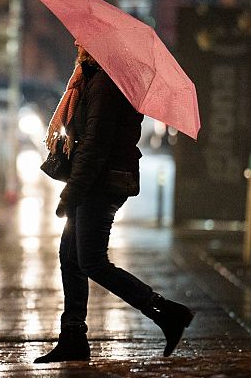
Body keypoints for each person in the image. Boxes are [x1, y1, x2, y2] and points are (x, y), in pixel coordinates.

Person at [34, 43, 194, 363]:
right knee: (71, 256)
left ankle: (167, 312)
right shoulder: (91, 79)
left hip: (102, 182)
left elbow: (95, 145)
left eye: (83, 41)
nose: (77, 44)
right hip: (97, 180)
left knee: (91, 261)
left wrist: (71, 192)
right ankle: (73, 338)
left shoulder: (107, 84)